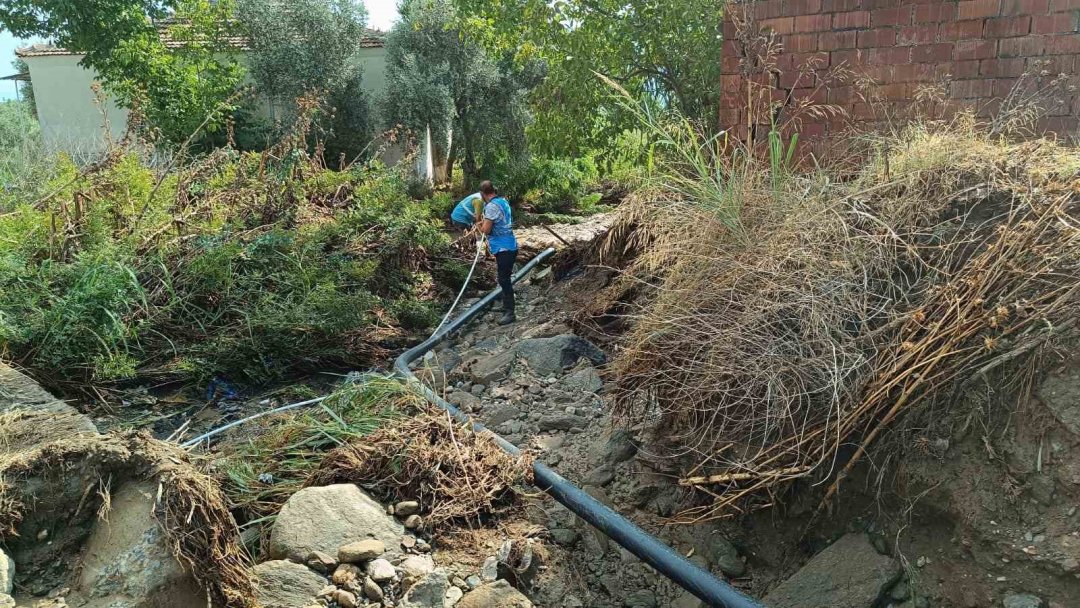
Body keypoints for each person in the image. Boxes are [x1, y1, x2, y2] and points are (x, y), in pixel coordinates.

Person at [476, 180, 518, 325]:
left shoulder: (492, 207)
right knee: (503, 277)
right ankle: (507, 306)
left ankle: (510, 312)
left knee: (504, 279)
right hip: (510, 245)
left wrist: (478, 222)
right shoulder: (502, 201)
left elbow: (486, 229)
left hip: (503, 247)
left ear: (482, 194)